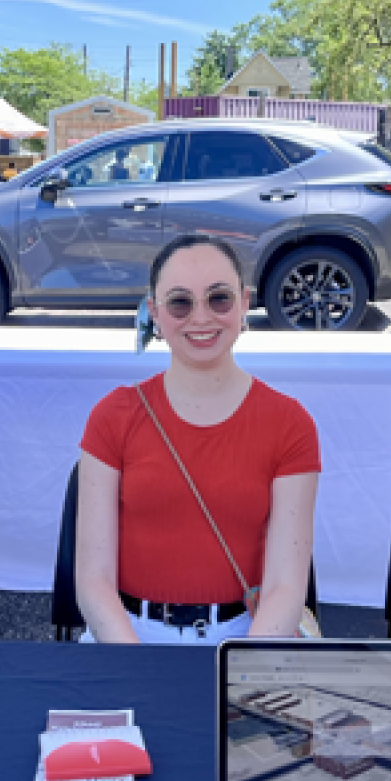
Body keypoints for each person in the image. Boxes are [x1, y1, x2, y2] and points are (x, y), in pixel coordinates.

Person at [75, 234, 320, 645]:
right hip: (129, 632)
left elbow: (285, 585)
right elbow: (93, 579)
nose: (201, 317)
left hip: (249, 633)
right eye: (180, 302)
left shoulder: (290, 423)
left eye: (219, 298)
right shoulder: (112, 416)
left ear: (244, 302)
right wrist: (134, 665)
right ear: (154, 311)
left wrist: (245, 673)